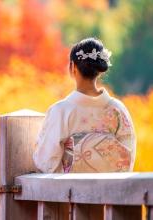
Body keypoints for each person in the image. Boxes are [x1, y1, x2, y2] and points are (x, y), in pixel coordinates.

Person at [33, 37, 136, 173]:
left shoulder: (60, 111)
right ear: (99, 70)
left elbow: (45, 161)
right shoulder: (117, 109)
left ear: (73, 67)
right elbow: (128, 157)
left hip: (70, 191)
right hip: (109, 190)